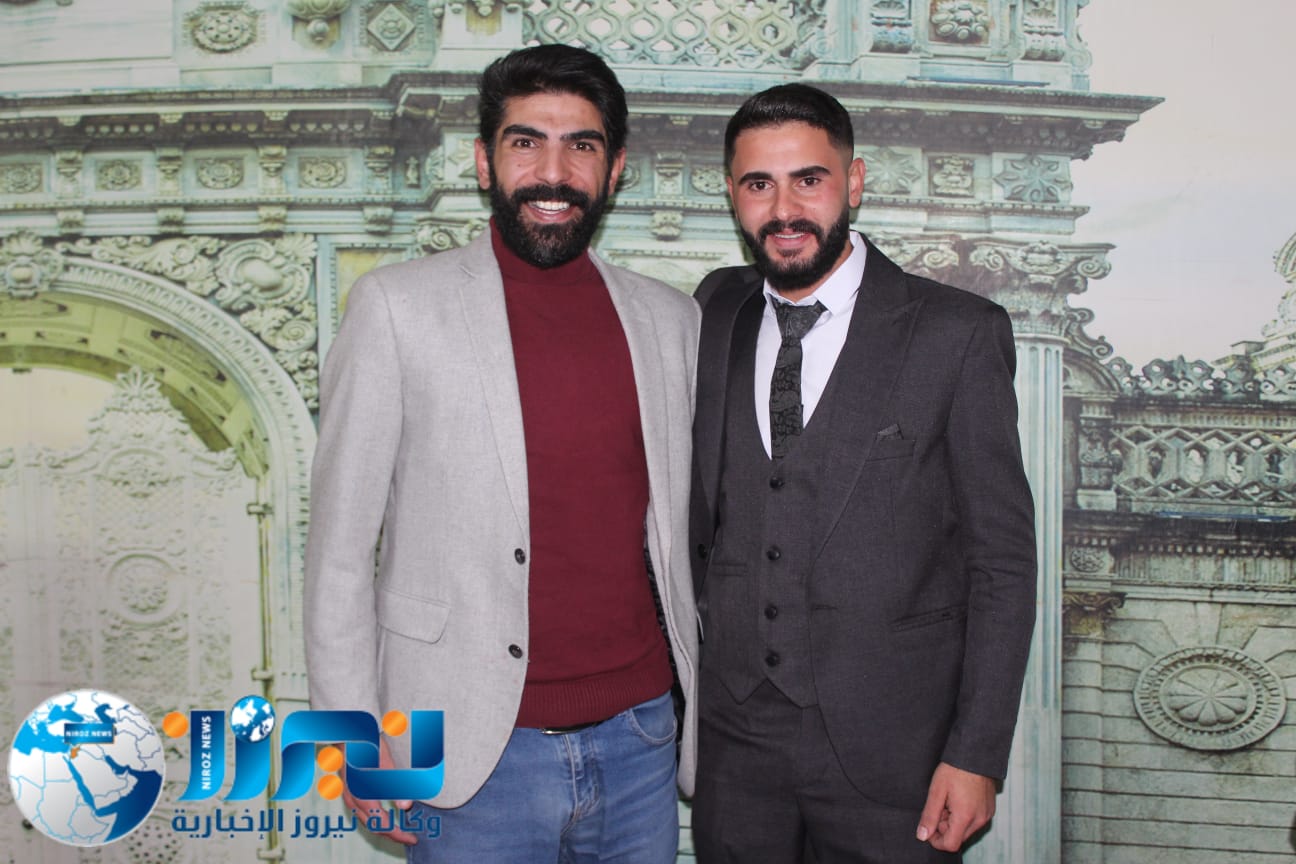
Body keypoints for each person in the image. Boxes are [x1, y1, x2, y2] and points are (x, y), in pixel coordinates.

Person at [304, 44, 699, 863]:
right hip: (463, 749)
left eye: (581, 145)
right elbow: (339, 550)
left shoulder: (671, 321)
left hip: (640, 743)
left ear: (616, 168)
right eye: (526, 142)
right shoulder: (395, 308)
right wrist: (352, 746)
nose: (553, 172)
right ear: (485, 161)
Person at [689, 84, 1037, 863]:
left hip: (897, 751)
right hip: (735, 745)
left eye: (808, 179)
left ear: (854, 182)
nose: (784, 209)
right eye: (758, 184)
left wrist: (977, 753)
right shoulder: (716, 311)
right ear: (732, 194)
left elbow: (1002, 563)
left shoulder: (956, 332)